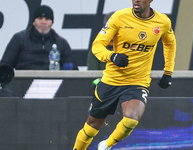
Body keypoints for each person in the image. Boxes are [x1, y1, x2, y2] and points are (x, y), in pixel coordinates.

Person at [73, 0, 176, 149]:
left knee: (131, 120)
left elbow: (170, 44)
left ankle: (107, 145)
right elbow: (97, 45)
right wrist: (112, 56)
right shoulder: (119, 17)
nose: (136, 0)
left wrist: (168, 72)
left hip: (137, 82)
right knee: (92, 126)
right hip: (111, 80)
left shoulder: (163, 22)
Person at [0, 5, 75, 70]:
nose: (43, 22)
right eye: (40, 18)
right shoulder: (19, 39)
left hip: (53, 83)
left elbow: (72, 70)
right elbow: (5, 66)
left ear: (52, 22)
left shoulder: (61, 43)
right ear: (33, 22)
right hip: (23, 84)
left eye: (47, 19)